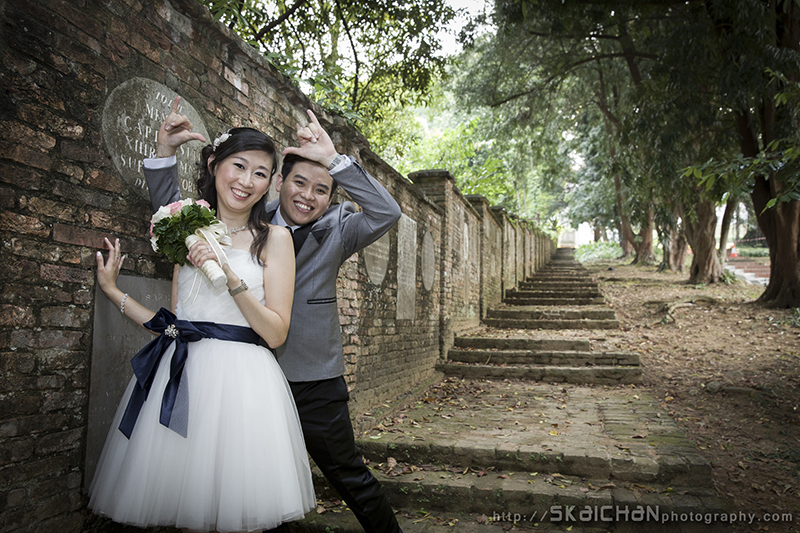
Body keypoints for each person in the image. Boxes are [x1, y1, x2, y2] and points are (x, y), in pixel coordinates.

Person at [146, 99, 403, 533]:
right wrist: (164, 156)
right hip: (241, 377)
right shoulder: (244, 212)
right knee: (249, 485)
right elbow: (176, 217)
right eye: (299, 182)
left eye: (321, 189)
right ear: (278, 182)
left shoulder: (340, 228)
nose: (308, 195)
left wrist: (333, 160)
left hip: (311, 377)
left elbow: (387, 212)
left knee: (348, 474)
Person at [88, 124, 316, 533]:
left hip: (242, 386)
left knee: (230, 506)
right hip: (183, 375)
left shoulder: (276, 239)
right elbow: (174, 326)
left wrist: (228, 273)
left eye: (260, 173)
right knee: (181, 509)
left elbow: (276, 333)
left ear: (270, 184)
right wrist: (111, 291)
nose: (247, 181)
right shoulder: (188, 232)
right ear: (215, 165)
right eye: (239, 166)